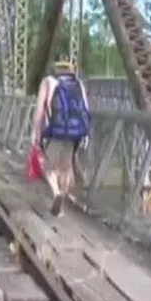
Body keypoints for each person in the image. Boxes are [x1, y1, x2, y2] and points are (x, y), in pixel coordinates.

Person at [29, 55, 91, 217]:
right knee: (66, 167)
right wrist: (86, 132)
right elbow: (85, 109)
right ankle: (61, 204)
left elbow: (39, 111)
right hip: (74, 131)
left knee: (45, 161)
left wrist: (35, 132)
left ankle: (56, 193)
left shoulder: (48, 82)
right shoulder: (78, 84)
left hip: (55, 129)